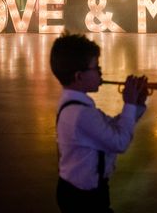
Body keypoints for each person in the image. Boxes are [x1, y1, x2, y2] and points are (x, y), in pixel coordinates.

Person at [50, 32, 148, 213]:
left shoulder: (74, 105)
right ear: (79, 76)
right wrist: (130, 104)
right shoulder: (81, 114)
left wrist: (137, 105)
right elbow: (119, 142)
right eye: (95, 67)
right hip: (85, 199)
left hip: (76, 192)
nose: (100, 72)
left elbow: (110, 128)